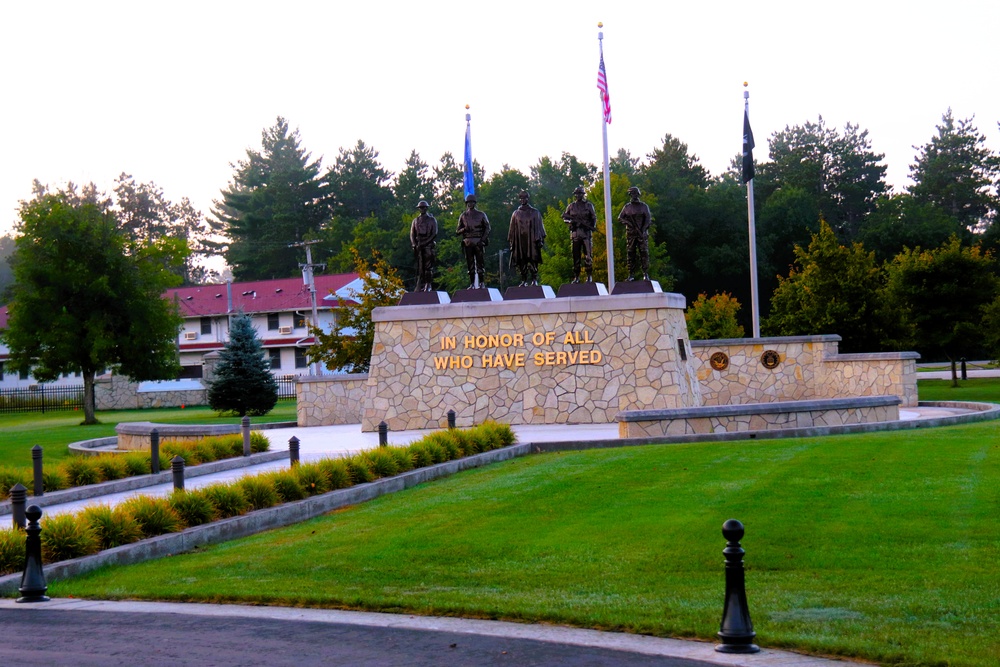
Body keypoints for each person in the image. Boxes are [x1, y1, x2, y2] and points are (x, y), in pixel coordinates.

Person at [508, 191, 546, 286]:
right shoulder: (516, 214)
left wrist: (540, 239)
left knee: (533, 259)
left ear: (528, 199)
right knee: (522, 260)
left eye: (524, 198)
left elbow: (539, 227)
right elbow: (512, 230)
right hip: (520, 240)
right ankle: (523, 280)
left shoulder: (534, 212)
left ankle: (534, 279)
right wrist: (512, 242)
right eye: (521, 198)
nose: (523, 200)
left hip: (532, 240)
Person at [563, 186, 597, 283]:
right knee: (576, 257)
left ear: (583, 195)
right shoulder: (571, 206)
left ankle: (589, 276)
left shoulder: (589, 206)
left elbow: (593, 217)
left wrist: (591, 226)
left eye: (580, 194)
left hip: (586, 234)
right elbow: (565, 217)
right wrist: (571, 222)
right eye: (577, 194)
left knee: (588, 256)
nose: (579, 196)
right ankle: (576, 277)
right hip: (575, 234)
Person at [455, 194, 490, 289]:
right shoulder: (463, 216)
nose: (470, 204)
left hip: (478, 240)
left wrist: (482, 239)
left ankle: (482, 282)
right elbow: (457, 231)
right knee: (470, 264)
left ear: (475, 203)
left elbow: (487, 227)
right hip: (468, 242)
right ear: (466, 204)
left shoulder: (481, 214)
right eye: (469, 202)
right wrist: (464, 229)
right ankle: (472, 284)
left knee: (480, 263)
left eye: (472, 202)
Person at [617, 186, 652, 281]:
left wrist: (643, 229)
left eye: (636, 193)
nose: (634, 195)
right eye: (632, 194)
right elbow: (620, 218)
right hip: (631, 234)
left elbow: (648, 219)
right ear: (630, 195)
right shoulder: (627, 207)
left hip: (642, 233)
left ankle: (645, 273)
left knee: (644, 253)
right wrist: (628, 223)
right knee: (631, 253)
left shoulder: (644, 206)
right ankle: (631, 274)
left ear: (638, 194)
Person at [410, 200, 437, 292]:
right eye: (420, 208)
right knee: (420, 268)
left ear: (427, 208)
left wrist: (425, 243)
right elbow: (412, 234)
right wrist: (414, 245)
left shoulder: (432, 220)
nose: (422, 209)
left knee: (428, 267)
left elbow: (434, 233)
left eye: (424, 207)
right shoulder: (415, 221)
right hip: (418, 247)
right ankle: (421, 284)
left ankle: (428, 285)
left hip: (428, 245)